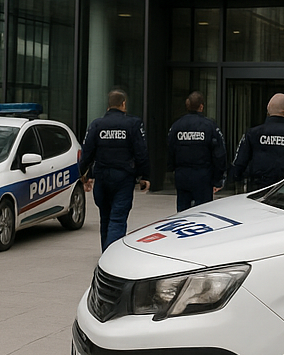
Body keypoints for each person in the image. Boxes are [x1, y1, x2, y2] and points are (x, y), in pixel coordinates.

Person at [80, 88, 151, 251]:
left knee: (105, 217)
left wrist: (84, 175)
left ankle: (106, 252)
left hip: (102, 177)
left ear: (108, 106)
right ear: (123, 104)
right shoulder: (133, 124)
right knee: (118, 219)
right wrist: (145, 175)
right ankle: (111, 256)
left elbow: (87, 152)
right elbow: (141, 152)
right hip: (123, 178)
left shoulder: (97, 124)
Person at [167, 90, 227, 211]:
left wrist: (172, 171)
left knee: (182, 212)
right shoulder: (210, 126)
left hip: (182, 175)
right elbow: (219, 154)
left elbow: (169, 150)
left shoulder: (176, 126)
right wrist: (218, 179)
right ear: (201, 106)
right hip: (203, 176)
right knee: (202, 212)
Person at [231, 93, 284, 189]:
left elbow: (240, 161)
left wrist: (234, 178)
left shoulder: (252, 133)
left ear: (267, 112)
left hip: (258, 187)